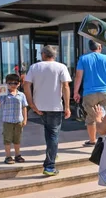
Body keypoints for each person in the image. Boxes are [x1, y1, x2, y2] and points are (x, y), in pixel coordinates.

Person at [23, 45, 72, 176]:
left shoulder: (34, 67)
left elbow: (26, 85)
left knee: (48, 131)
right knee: (53, 134)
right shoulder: (61, 67)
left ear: (43, 54)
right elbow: (66, 86)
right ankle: (50, 165)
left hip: (39, 106)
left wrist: (31, 103)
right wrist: (67, 106)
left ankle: (52, 154)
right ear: (54, 55)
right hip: (55, 106)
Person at [73, 40, 106, 147]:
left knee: (91, 117)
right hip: (105, 92)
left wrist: (76, 92)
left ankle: (92, 140)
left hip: (89, 93)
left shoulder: (83, 59)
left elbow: (78, 76)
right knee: (105, 116)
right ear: (100, 47)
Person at [0, 73, 28, 164]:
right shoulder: (4, 95)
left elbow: (24, 107)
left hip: (18, 120)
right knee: (7, 139)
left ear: (19, 84)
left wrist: (25, 119)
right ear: (6, 84)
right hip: (7, 121)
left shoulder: (21, 95)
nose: (13, 85)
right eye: (10, 83)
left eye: (15, 83)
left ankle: (18, 155)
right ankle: (8, 156)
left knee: (17, 139)